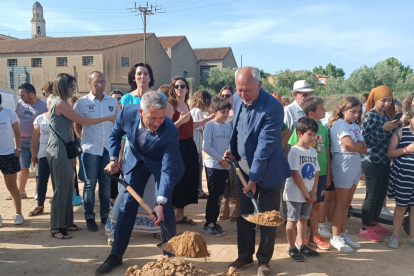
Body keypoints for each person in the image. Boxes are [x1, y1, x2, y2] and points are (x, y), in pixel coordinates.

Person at [95, 92, 184, 275]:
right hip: (137, 162)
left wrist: (159, 203)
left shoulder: (170, 130)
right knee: (128, 205)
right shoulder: (127, 112)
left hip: (162, 166)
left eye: (161, 118)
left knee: (165, 209)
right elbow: (115, 135)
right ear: (140, 112)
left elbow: (167, 170)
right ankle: (116, 255)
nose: (158, 123)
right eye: (153, 118)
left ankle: (170, 259)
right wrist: (113, 159)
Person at [224, 67, 291, 276]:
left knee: (267, 217)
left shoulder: (273, 107)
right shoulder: (236, 97)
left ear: (259, 86)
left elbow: (265, 145)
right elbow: (238, 128)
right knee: (244, 214)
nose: (243, 95)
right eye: (239, 90)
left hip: (269, 170)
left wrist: (253, 178)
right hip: (243, 166)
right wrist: (234, 150)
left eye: (247, 90)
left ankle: (264, 260)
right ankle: (244, 255)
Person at [47, 73, 115, 240]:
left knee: (68, 187)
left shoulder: (62, 102)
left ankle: (67, 222)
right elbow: (82, 122)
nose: (74, 89)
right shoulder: (60, 103)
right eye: (72, 86)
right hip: (58, 149)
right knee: (60, 190)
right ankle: (56, 227)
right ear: (63, 86)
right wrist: (107, 118)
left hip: (65, 149)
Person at [106, 63, 163, 241]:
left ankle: (154, 227)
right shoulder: (126, 100)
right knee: (127, 190)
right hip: (132, 150)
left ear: (150, 77)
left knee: (152, 189)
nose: (142, 77)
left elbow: (163, 125)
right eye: (139, 74)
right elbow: (120, 132)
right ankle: (115, 229)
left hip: (153, 150)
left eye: (146, 73)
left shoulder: (159, 97)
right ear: (134, 77)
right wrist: (118, 156)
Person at [74, 71, 120, 231]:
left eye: (102, 82)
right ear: (89, 84)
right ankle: (89, 217)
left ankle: (105, 216)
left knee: (106, 184)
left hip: (107, 149)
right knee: (89, 185)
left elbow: (117, 124)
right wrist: (84, 140)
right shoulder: (82, 102)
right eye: (96, 82)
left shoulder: (112, 102)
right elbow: (77, 124)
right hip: (90, 150)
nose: (100, 85)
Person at [166, 77, 214, 225]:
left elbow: (190, 126)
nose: (179, 88)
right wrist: (180, 121)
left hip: (189, 145)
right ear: (173, 89)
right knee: (176, 181)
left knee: (187, 180)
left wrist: (209, 118)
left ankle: (180, 215)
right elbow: (166, 129)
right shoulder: (170, 105)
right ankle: (170, 216)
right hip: (176, 146)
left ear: (187, 89)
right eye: (176, 86)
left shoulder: (186, 105)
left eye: (182, 86)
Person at [288, 97, 332, 250]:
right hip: (301, 179)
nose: (325, 111)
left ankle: (314, 236)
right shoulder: (298, 130)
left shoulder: (324, 129)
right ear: (312, 112)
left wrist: (329, 173)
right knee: (299, 210)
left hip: (319, 174)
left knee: (316, 204)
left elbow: (326, 151)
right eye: (322, 108)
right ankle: (301, 239)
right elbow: (293, 148)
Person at [328, 96, 366, 252]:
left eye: (358, 112)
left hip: (355, 162)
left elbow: (364, 148)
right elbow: (349, 145)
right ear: (343, 110)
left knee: (348, 201)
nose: (356, 115)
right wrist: (359, 146)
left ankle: (342, 234)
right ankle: (335, 237)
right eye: (353, 111)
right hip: (343, 162)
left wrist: (358, 146)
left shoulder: (355, 126)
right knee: (341, 202)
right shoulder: (340, 124)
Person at [359, 85, 397, 241]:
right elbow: (367, 141)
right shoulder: (370, 116)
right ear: (374, 99)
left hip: (385, 160)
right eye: (383, 100)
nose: (387, 103)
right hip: (371, 160)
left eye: (389, 100)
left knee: (381, 194)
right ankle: (364, 227)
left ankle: (374, 223)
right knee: (372, 195)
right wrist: (384, 129)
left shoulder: (388, 116)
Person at [285, 117, 320, 261]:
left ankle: (301, 244)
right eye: (310, 134)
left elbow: (316, 172)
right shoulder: (295, 151)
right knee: (292, 220)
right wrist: (305, 192)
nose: (313, 137)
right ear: (299, 134)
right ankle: (291, 247)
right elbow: (294, 173)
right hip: (295, 193)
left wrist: (313, 191)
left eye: (314, 134)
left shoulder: (312, 151)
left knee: (304, 219)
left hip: (308, 193)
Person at [4, 83, 47, 200]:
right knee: (23, 167)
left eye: (22, 95)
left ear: (31, 94)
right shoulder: (21, 103)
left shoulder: (44, 106)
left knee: (38, 167)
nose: (20, 98)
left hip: (38, 142)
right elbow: (17, 117)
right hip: (22, 142)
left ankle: (39, 192)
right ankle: (20, 192)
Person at [202, 96, 232, 236]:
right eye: (223, 112)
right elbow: (206, 147)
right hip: (212, 166)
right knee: (213, 195)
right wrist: (220, 159)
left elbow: (230, 144)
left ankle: (214, 221)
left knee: (220, 194)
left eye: (227, 111)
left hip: (225, 166)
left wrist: (228, 156)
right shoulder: (210, 125)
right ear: (214, 111)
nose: (226, 115)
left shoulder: (227, 126)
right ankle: (208, 223)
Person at [387, 106, 414, 248]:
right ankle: (395, 236)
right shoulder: (400, 132)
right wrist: (406, 150)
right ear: (409, 118)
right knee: (401, 206)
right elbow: (390, 153)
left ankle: (412, 236)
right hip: (404, 175)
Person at [0, 93, 23, 226]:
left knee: (11, 186)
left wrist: (18, 149)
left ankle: (18, 214)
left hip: (8, 154)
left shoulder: (9, 113)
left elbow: (18, 133)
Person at [29, 95, 53, 217]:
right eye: (49, 103)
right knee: (42, 180)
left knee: (58, 181)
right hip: (43, 154)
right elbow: (35, 138)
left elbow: (70, 135)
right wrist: (34, 154)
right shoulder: (40, 118)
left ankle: (57, 203)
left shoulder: (62, 118)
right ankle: (40, 205)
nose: (51, 105)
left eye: (53, 103)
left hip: (59, 156)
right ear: (46, 104)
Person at [218, 86, 239, 222]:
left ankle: (237, 208)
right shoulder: (219, 113)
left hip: (235, 152)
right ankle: (225, 209)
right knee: (224, 182)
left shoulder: (238, 112)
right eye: (223, 95)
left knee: (235, 181)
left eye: (228, 95)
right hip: (220, 151)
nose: (226, 98)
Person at [190, 90, 212, 199]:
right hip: (197, 141)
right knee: (198, 168)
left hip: (194, 140)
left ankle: (197, 190)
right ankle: (199, 191)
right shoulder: (198, 111)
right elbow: (201, 126)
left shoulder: (192, 110)